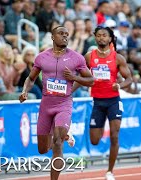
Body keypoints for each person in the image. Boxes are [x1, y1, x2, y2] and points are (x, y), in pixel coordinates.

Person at [19, 26, 94, 180]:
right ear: (52, 37)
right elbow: (31, 78)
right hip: (46, 105)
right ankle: (62, 133)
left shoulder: (77, 58)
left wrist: (75, 78)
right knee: (42, 149)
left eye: (67, 34)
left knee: (58, 143)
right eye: (61, 34)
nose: (65, 36)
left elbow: (91, 80)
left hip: (64, 104)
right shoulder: (41, 57)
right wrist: (25, 91)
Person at [73, 26, 132, 180]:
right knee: (94, 140)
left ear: (110, 38)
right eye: (98, 36)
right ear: (95, 38)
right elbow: (81, 78)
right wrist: (68, 92)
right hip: (98, 102)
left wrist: (120, 85)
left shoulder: (117, 58)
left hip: (113, 101)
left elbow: (130, 79)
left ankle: (110, 171)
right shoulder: (88, 57)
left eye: (104, 35)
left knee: (114, 135)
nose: (101, 38)